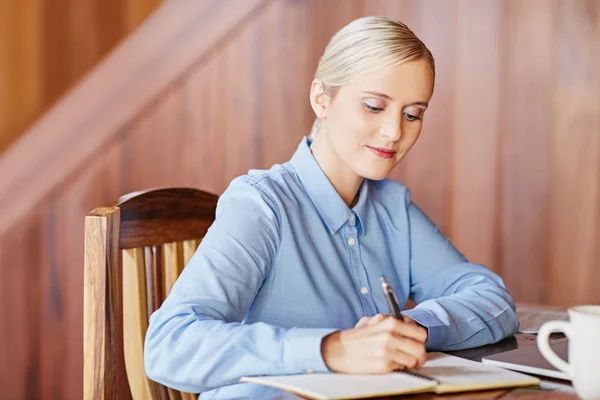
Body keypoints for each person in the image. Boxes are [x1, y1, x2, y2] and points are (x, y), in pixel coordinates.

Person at [144, 16, 519, 399]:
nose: (394, 132)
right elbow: (169, 344)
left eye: (412, 114)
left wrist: (412, 328)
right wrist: (330, 348)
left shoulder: (393, 208)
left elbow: (491, 297)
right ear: (322, 99)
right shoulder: (261, 205)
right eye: (374, 107)